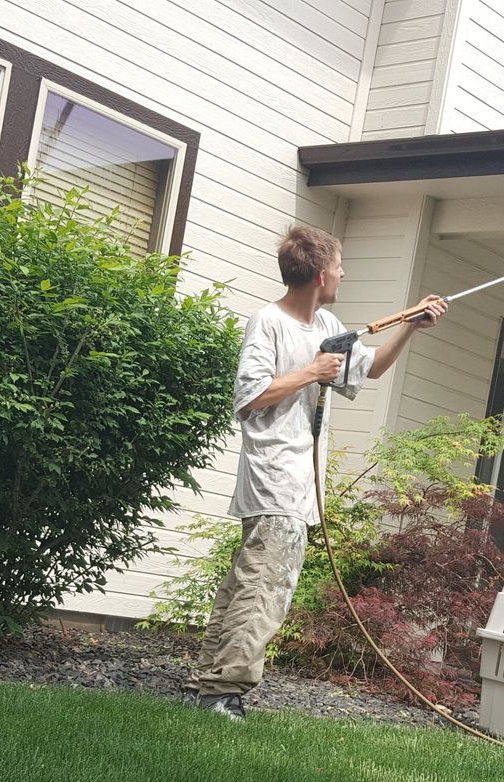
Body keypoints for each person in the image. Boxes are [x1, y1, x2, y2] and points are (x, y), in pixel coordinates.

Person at [183, 225, 446, 718]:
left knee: (246, 584)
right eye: (340, 267)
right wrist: (311, 372)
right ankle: (224, 692)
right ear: (322, 274)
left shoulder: (327, 324)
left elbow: (369, 369)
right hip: (273, 478)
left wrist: (410, 325)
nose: (345, 274)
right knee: (265, 589)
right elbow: (249, 398)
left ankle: (206, 685)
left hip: (298, 485)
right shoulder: (268, 323)